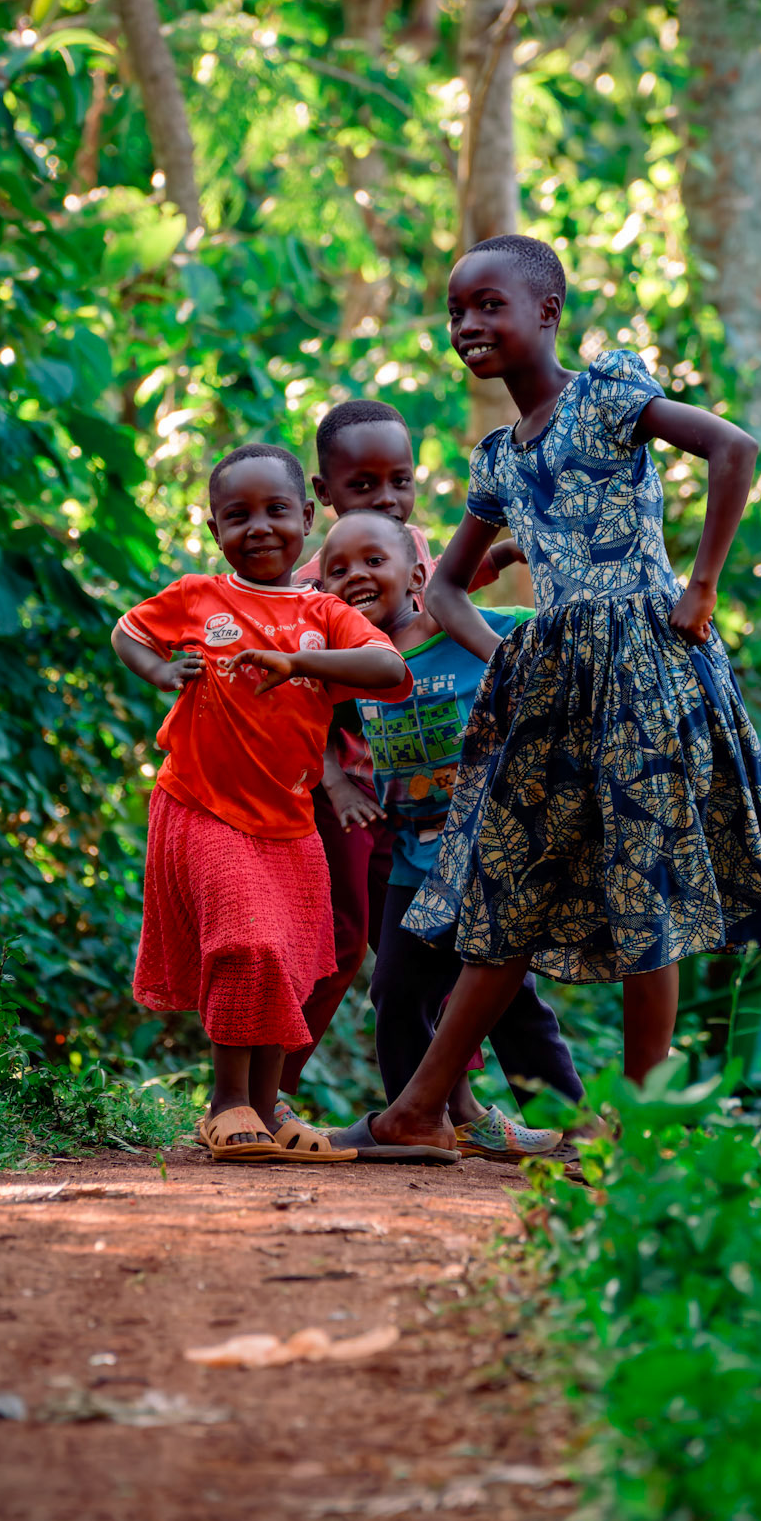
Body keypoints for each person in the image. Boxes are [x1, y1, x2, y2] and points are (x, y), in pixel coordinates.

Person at [352, 234, 761, 1157]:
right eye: (456, 311)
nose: (468, 324)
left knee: (647, 885)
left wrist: (702, 584)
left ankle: (634, 1121)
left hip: (645, 664)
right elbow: (442, 590)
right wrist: (502, 658)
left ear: (547, 312)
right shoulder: (498, 459)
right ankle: (420, 1109)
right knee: (506, 883)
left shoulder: (607, 395)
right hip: (552, 686)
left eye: (489, 305)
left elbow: (733, 449)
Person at [112, 443, 413, 1162]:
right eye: (236, 515)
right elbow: (127, 630)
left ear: (306, 516)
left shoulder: (323, 612)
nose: (259, 528)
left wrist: (297, 661)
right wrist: (159, 669)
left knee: (286, 959)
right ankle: (226, 1107)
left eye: (276, 511)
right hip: (202, 805)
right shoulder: (196, 595)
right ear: (215, 529)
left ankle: (268, 1108)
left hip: (289, 820)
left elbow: (388, 667)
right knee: (244, 942)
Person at [274, 509, 583, 1163]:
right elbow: (305, 715)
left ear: (418, 574)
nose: (354, 575)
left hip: (489, 850)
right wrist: (335, 780)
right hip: (415, 859)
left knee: (507, 1000)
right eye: (337, 569)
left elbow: (546, 641)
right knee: (395, 989)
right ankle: (422, 1118)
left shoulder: (465, 633)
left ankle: (573, 1127)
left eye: (372, 561)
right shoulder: (352, 670)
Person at [277, 399, 521, 1103]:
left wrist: (503, 552)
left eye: (399, 480)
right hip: (346, 790)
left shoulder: (408, 548)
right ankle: (270, 1095)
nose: (386, 496)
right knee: (343, 936)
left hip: (417, 796)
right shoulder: (310, 588)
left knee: (434, 936)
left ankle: (451, 1101)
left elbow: (441, 591)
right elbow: (300, 703)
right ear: (322, 496)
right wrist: (332, 784)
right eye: (362, 486)